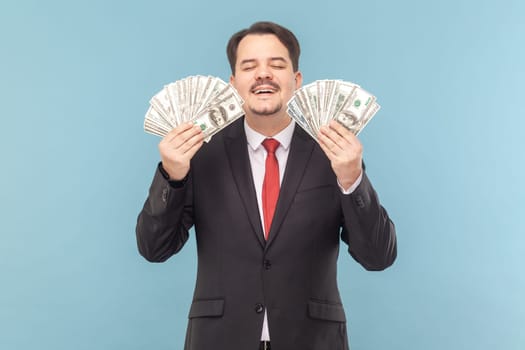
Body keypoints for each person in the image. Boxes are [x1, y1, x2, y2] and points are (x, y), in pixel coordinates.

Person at [136, 21, 397, 350]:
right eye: (249, 66)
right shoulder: (201, 153)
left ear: (296, 80)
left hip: (313, 340)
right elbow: (153, 249)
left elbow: (379, 256)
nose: (263, 74)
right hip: (219, 340)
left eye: (277, 65)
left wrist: (352, 179)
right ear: (233, 83)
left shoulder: (333, 153)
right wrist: (172, 175)